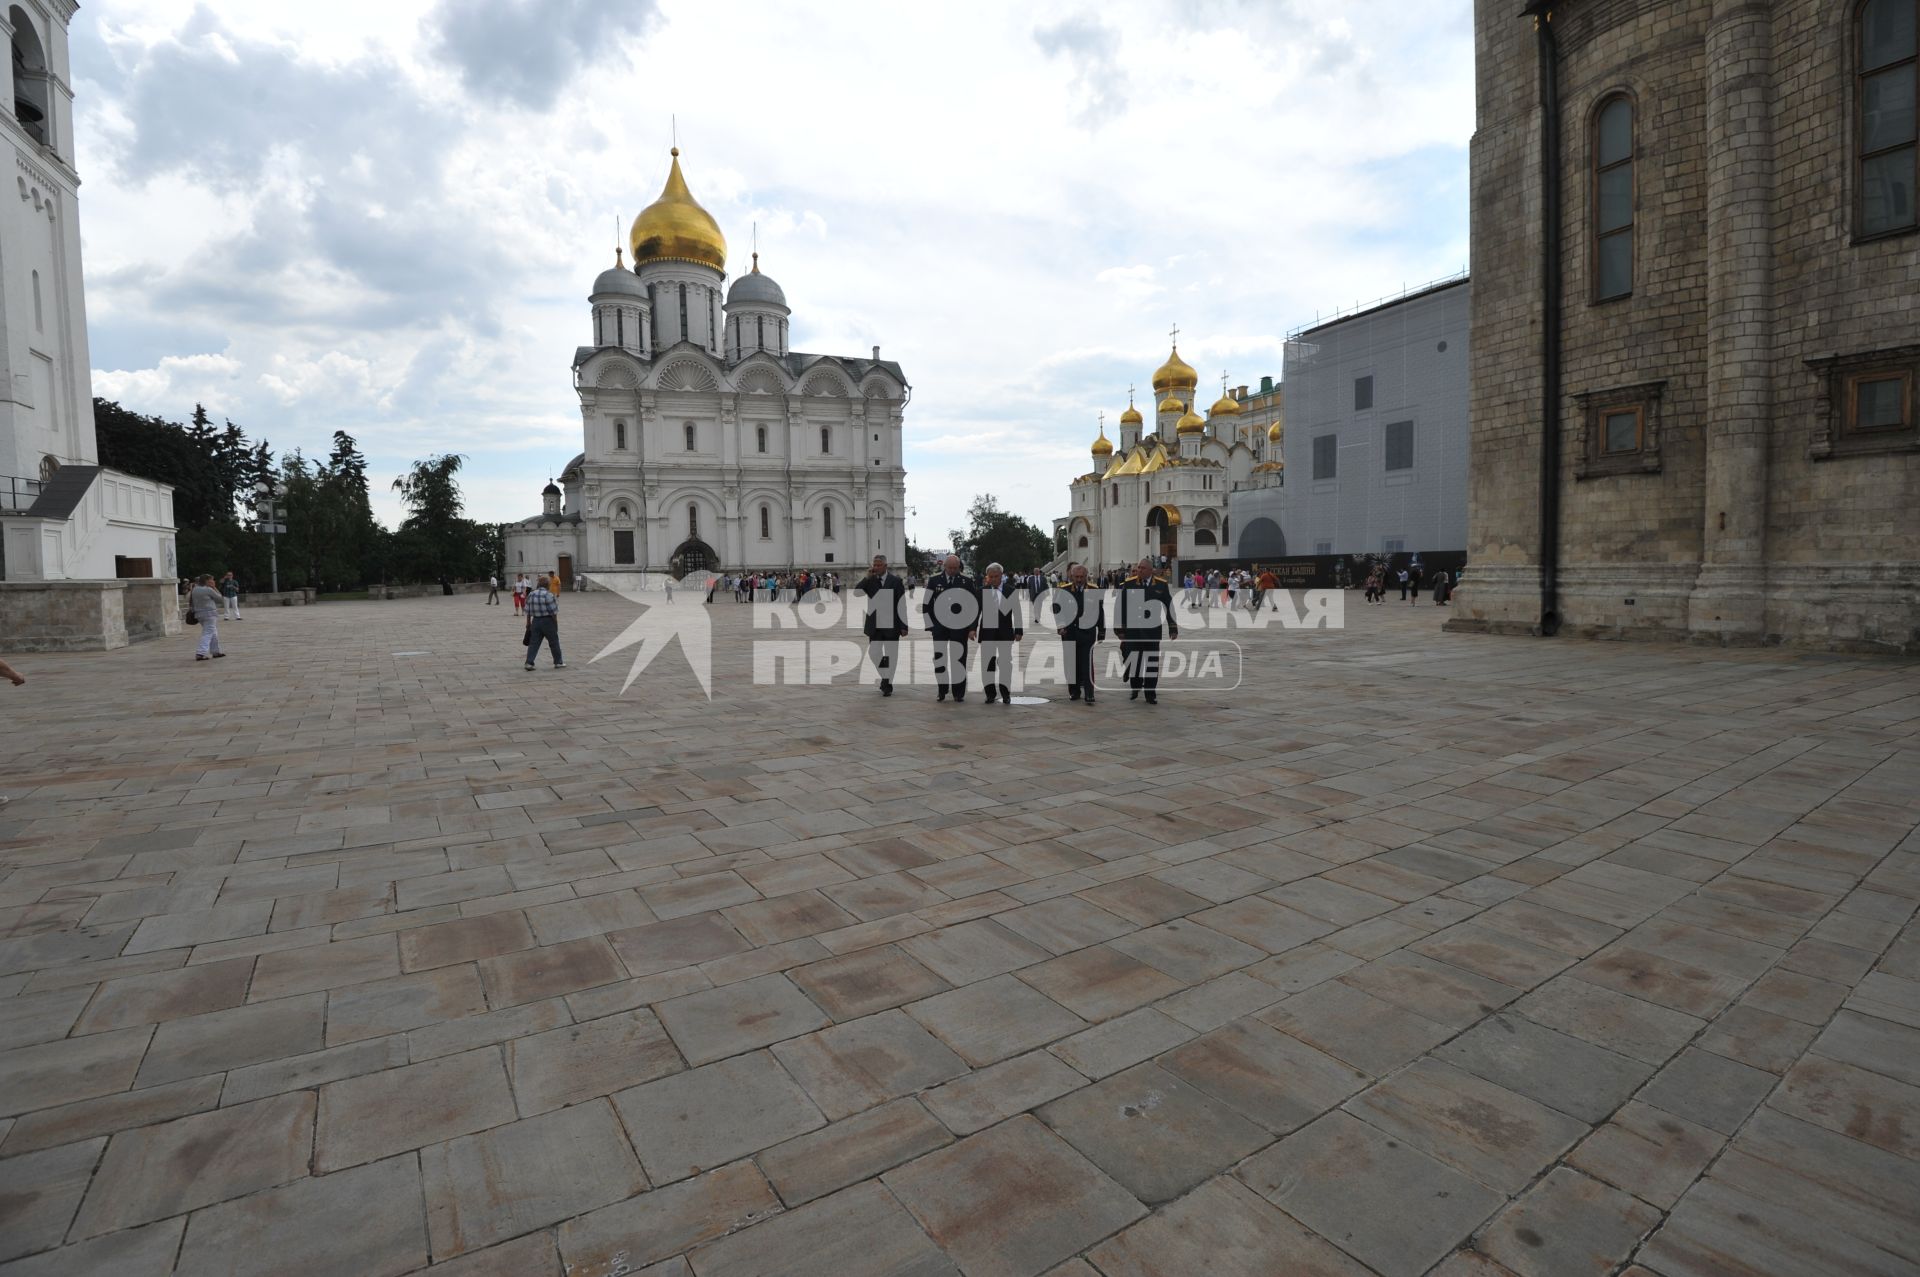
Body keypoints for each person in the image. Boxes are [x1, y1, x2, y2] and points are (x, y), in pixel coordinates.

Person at [1116, 557, 1177, 703]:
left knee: (1151, 663)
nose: (1139, 570)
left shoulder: (1161, 585)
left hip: (1152, 631)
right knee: (1134, 661)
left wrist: (1172, 628)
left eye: (1142, 568)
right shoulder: (1129, 584)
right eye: (1138, 567)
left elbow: (1169, 607)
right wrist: (1120, 629)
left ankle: (1150, 694)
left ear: (1151, 570)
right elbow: (1120, 606)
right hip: (1133, 631)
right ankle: (1135, 687)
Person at [922, 554, 979, 702]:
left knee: (959, 659)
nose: (953, 570)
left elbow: (973, 605)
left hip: (959, 627)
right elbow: (926, 604)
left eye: (955, 568)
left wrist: (972, 627)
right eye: (950, 568)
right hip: (939, 627)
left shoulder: (966, 581)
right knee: (940, 659)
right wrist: (930, 626)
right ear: (944, 566)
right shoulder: (934, 581)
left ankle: (958, 692)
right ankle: (942, 689)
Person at [857, 554, 909, 696]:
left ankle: (887, 684)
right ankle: (885, 676)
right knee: (874, 653)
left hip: (892, 625)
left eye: (879, 565)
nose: (876, 567)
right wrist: (867, 577)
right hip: (875, 625)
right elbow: (856, 592)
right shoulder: (870, 580)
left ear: (885, 566)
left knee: (891, 656)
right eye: (875, 565)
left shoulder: (896, 581)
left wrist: (904, 625)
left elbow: (901, 604)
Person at [1053, 562, 1105, 704]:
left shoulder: (1094, 590)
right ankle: (1074, 691)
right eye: (1076, 576)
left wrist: (1101, 631)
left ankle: (1089, 693)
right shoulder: (1063, 590)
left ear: (1086, 576)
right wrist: (1060, 625)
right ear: (1071, 576)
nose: (1079, 579)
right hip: (1069, 632)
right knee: (1071, 663)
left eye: (1082, 576)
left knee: (1086, 663)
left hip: (1087, 633)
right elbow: (1057, 609)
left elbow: (1100, 612)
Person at [976, 562, 1023, 705]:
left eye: (996, 576)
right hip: (987, 633)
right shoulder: (981, 591)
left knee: (1005, 664)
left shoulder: (1010, 591)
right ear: (987, 577)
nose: (993, 579)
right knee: (987, 664)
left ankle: (1005, 693)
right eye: (991, 577)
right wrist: (971, 629)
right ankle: (990, 693)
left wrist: (1019, 630)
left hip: (1005, 633)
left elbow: (1017, 612)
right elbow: (975, 611)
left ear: (1001, 576)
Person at [523, 576, 564, 670]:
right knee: (554, 642)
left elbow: (528, 611)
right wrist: (555, 624)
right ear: (547, 585)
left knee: (533, 643)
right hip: (547, 621)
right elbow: (554, 612)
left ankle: (529, 663)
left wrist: (528, 623)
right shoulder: (548, 595)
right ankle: (558, 662)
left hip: (535, 621)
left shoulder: (531, 594)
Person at [189, 574, 227, 661]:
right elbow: (220, 598)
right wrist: (214, 587)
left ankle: (215, 651)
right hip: (209, 614)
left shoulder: (195, 589)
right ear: (207, 581)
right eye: (211, 580)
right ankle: (200, 653)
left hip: (199, 614)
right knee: (208, 633)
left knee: (213, 632)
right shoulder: (208, 589)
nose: (213, 581)